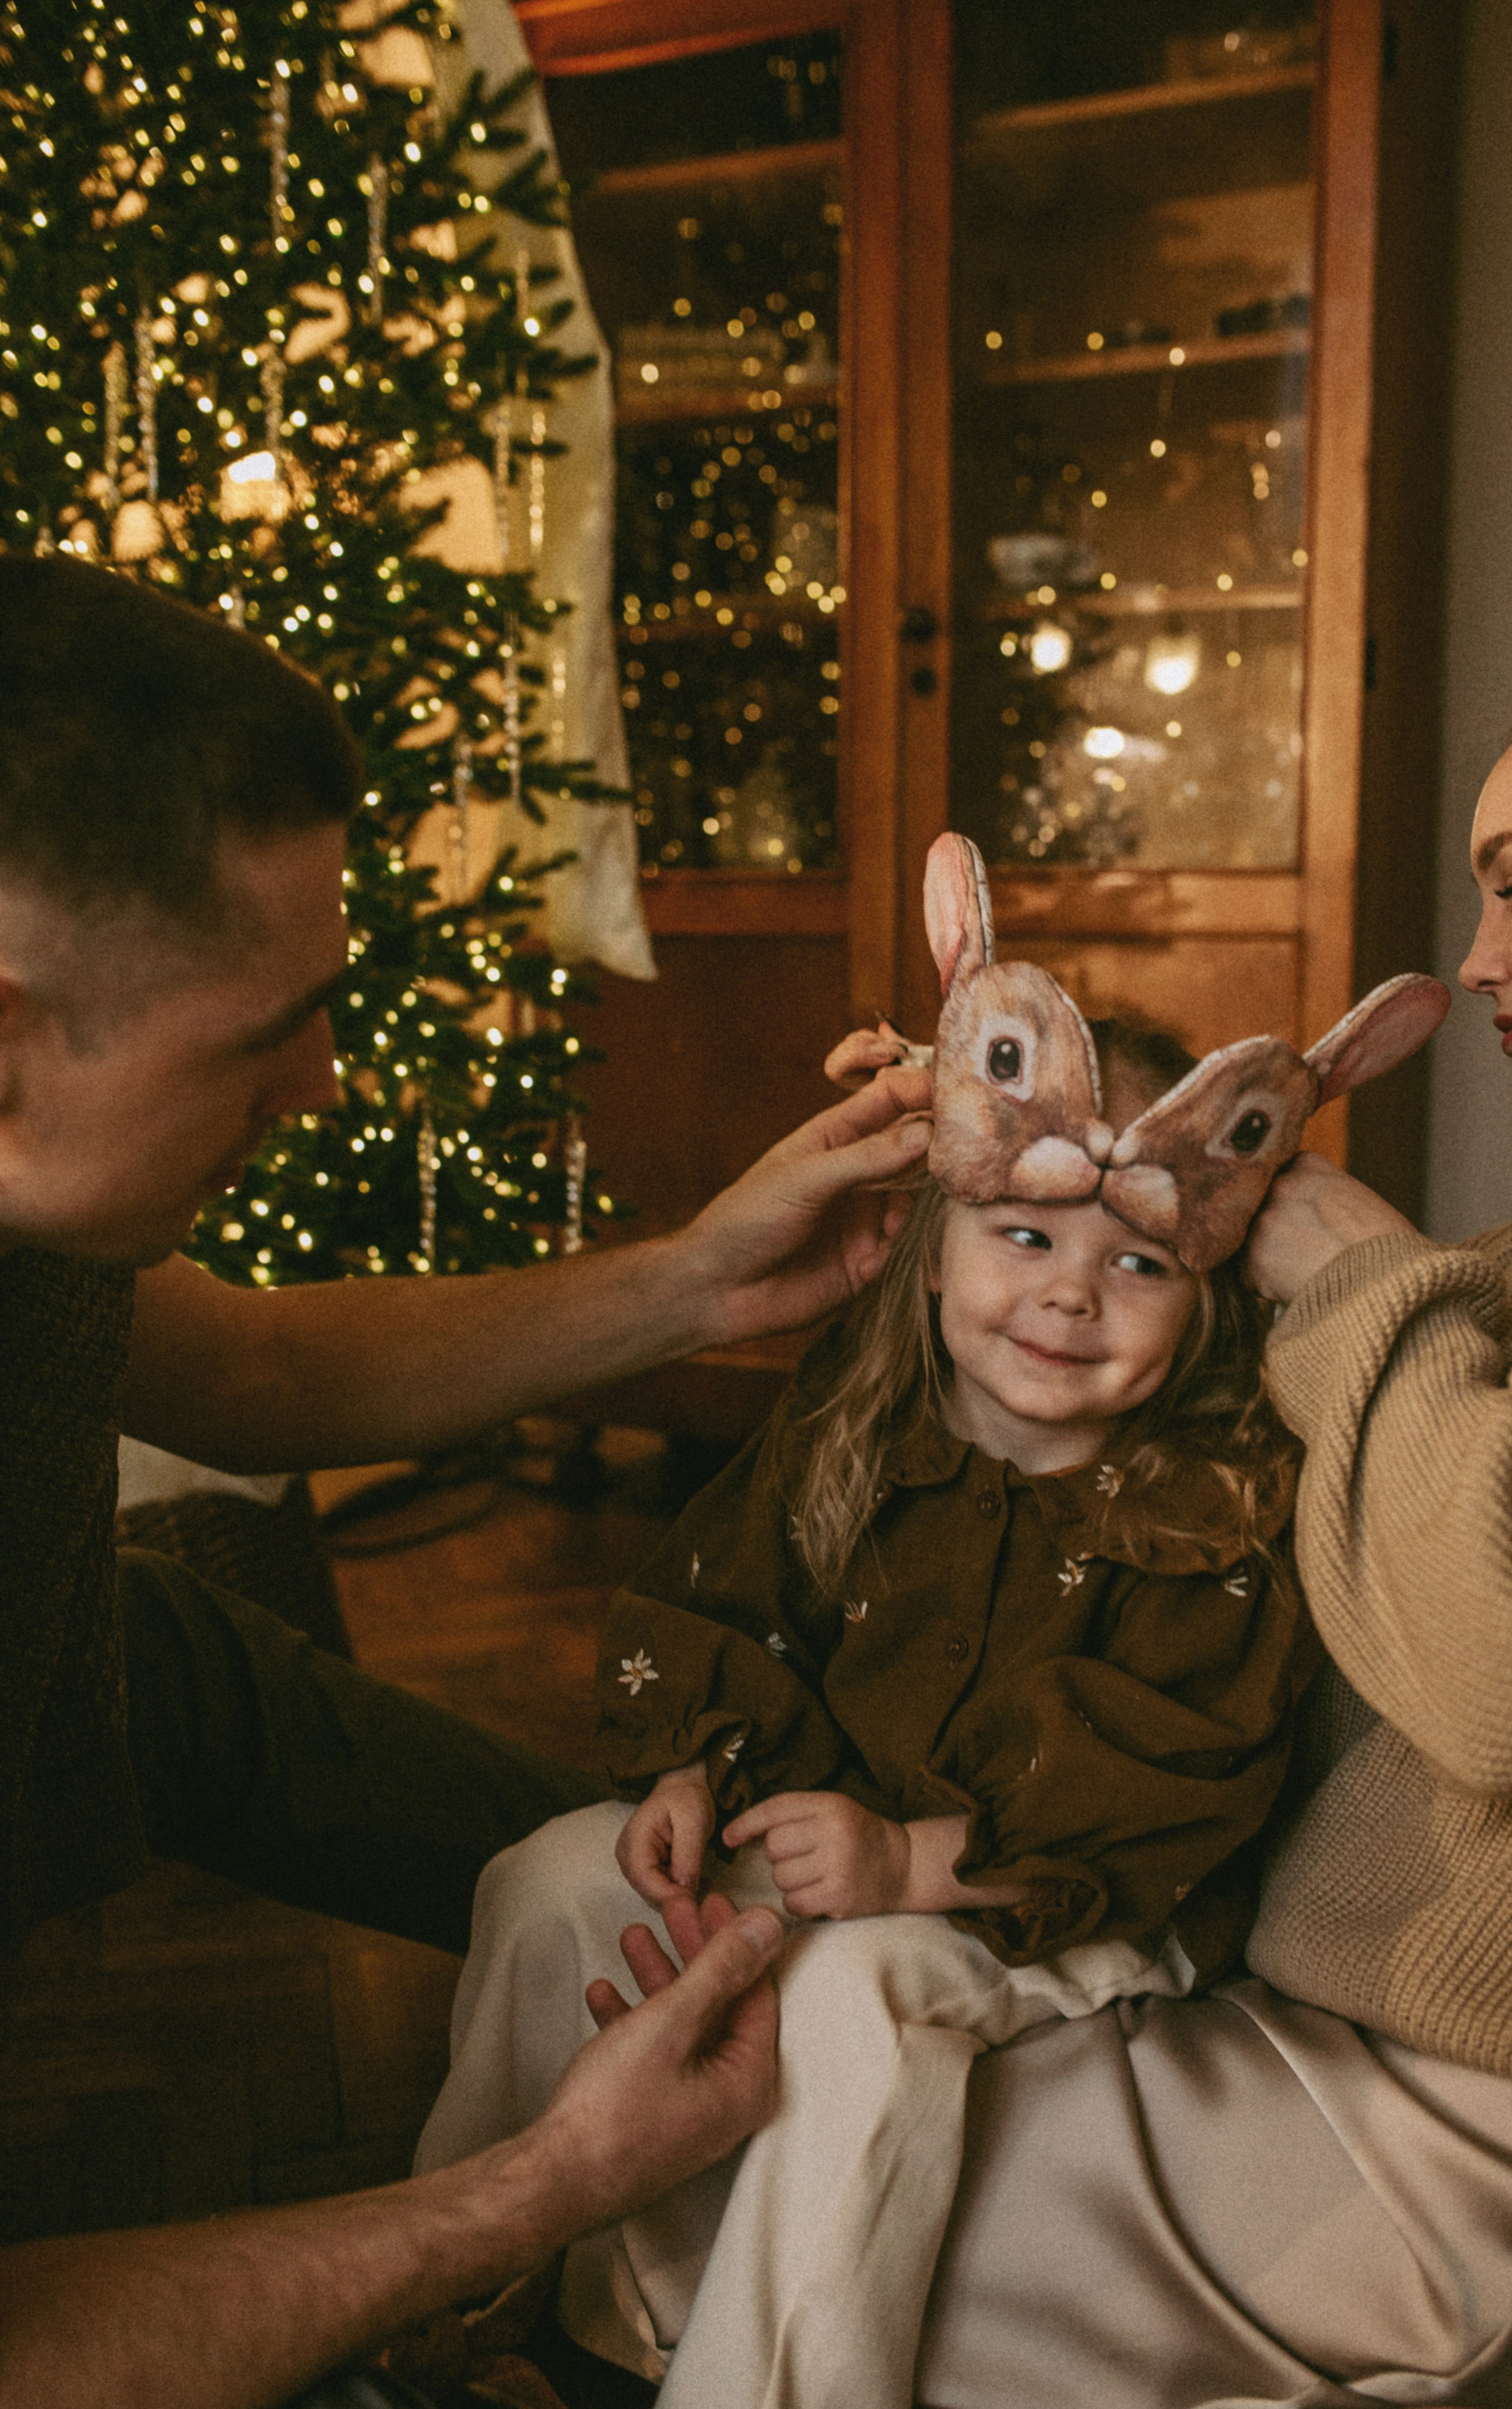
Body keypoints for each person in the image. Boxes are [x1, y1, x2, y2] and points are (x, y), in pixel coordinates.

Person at [0, 553, 930, 2405]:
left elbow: (255, 1366)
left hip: (118, 1657)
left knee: (197, 1664)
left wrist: (702, 1275)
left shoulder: (51, 1222)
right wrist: (542, 2188)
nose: (330, 1083)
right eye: (270, 1035)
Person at [412, 1015, 1317, 2407]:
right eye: (1024, 1238)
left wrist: (911, 1866)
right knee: (542, 1881)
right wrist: (693, 1771)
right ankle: (450, 2289)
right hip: (840, 1826)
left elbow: (1171, 1778)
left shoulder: (1203, 1511)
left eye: (1135, 1264)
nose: (1069, 1297)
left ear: (1205, 1301)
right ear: (931, 1237)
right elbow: (731, 1590)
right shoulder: (865, 1409)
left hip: (1061, 1895)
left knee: (849, 1995)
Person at [888, 661, 1512, 2407]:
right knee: (814, 2085)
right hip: (1283, 1989)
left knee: (862, 2201)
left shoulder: (1475, 1290)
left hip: (1475, 2112)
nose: (1483, 960)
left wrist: (1357, 1271)